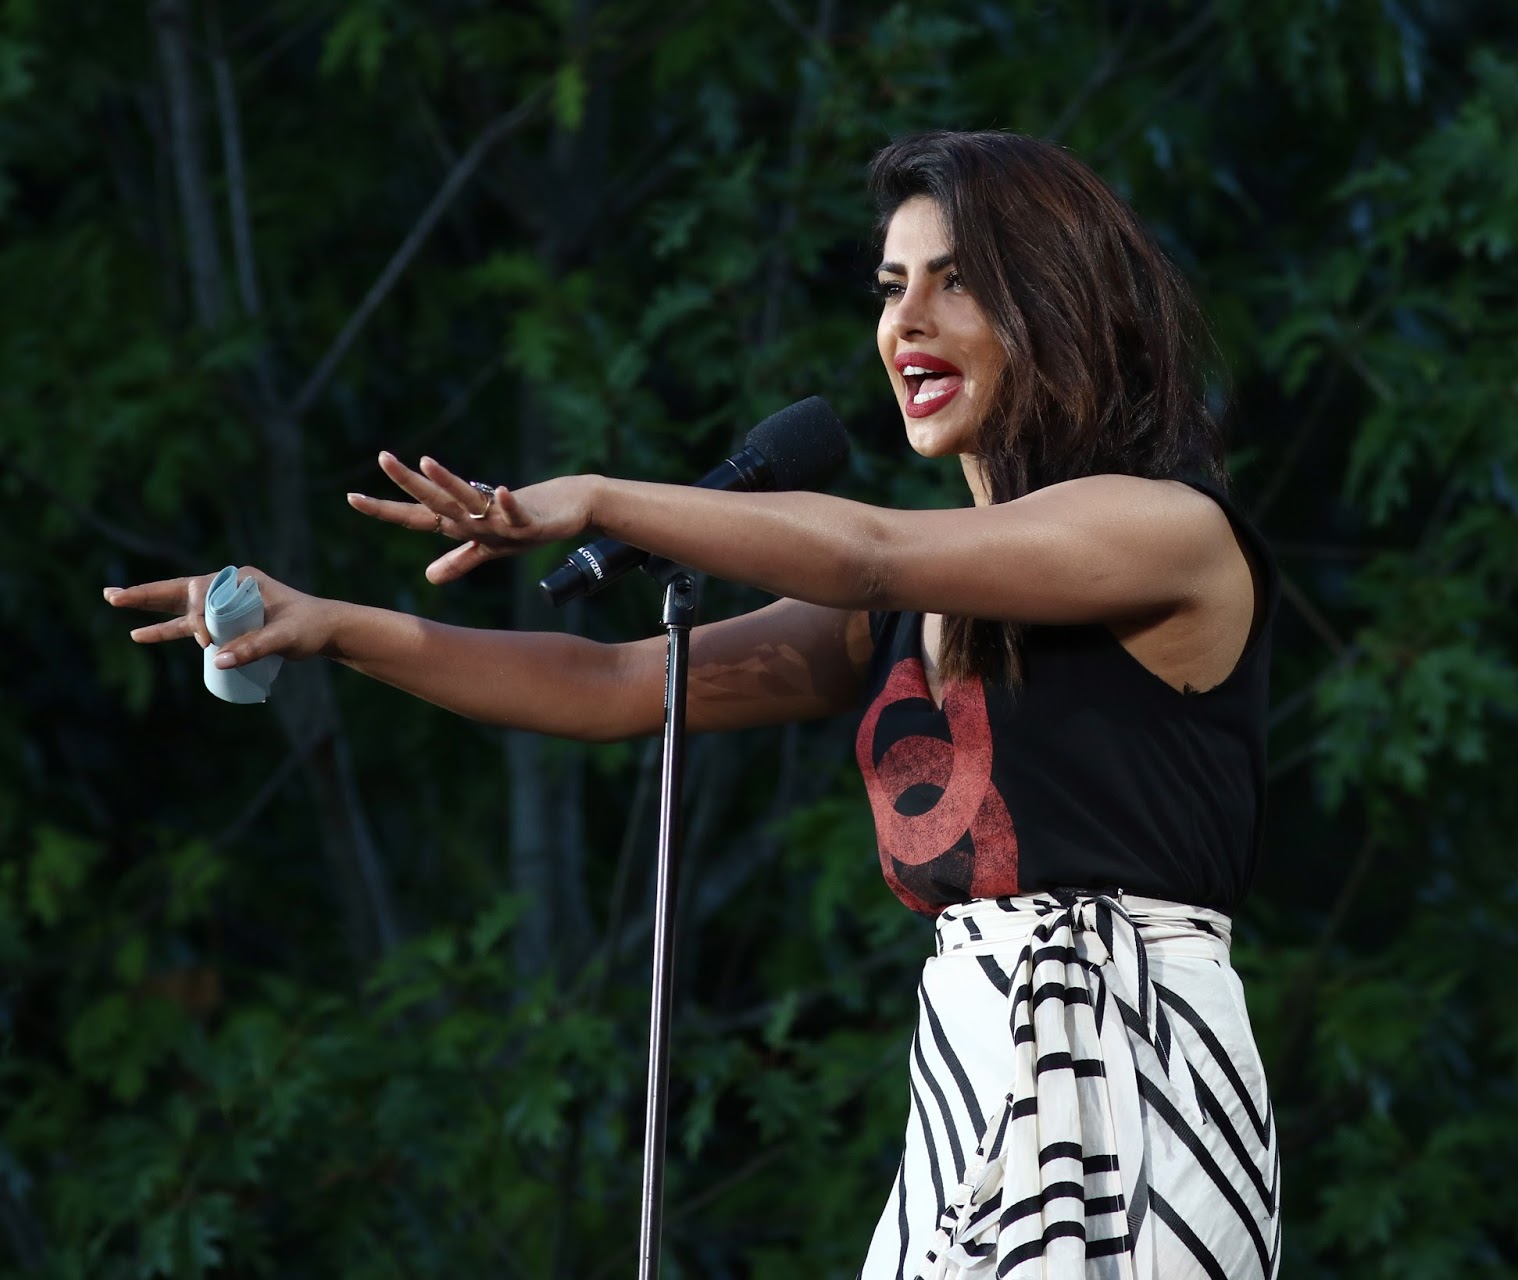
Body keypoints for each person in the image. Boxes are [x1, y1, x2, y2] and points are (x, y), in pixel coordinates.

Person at [106, 130, 1280, 1278]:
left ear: (1060, 305)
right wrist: (332, 624)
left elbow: (870, 547)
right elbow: (613, 683)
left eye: (956, 284)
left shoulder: (1169, 531)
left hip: (1134, 1060)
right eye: (889, 288)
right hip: (972, 1069)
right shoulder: (901, 613)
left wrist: (605, 495)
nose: (903, 322)